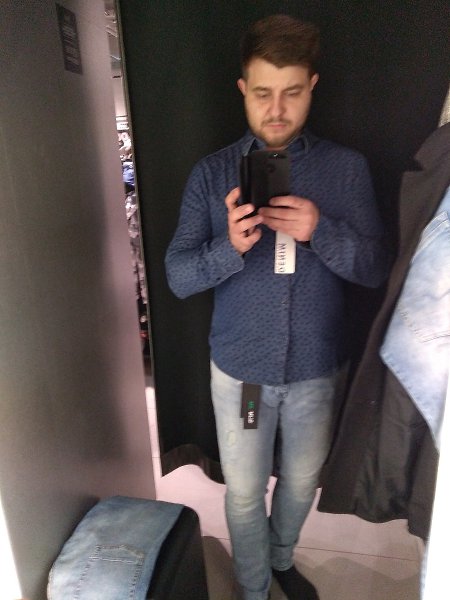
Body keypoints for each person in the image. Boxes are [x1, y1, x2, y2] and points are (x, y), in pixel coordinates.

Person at [165, 14, 388, 600]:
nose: (277, 110)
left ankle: (281, 559)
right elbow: (177, 277)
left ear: (313, 85)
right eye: (263, 93)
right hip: (243, 373)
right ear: (243, 89)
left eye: (292, 92)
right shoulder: (212, 173)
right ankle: (254, 587)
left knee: (302, 481)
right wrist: (229, 249)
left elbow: (375, 269)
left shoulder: (346, 170)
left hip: (317, 367)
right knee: (242, 493)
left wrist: (321, 231)